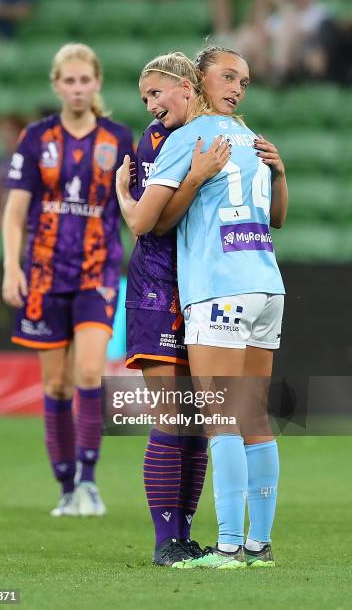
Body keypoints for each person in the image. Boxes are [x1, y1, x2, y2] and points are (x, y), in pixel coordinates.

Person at [116, 47, 288, 569]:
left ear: (190, 84)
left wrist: (126, 195)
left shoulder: (189, 137)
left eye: (242, 79)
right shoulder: (253, 139)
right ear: (204, 79)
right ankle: (259, 545)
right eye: (230, 76)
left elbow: (146, 224)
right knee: (255, 418)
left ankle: (231, 545)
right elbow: (277, 218)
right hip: (268, 287)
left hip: (220, 288)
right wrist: (280, 175)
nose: (237, 87)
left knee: (219, 419)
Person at [2, 43, 135, 517]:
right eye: (69, 81)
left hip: (97, 272)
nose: (78, 89)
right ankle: (64, 487)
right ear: (56, 85)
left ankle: (90, 482)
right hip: (43, 273)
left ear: (97, 83)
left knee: (88, 373)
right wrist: (11, 266)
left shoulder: (119, 139)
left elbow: (134, 205)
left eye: (85, 80)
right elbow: (15, 212)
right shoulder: (36, 138)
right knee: (56, 385)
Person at [127, 73, 231, 565]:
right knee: (171, 416)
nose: (149, 104)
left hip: (196, 286)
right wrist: (197, 175)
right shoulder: (159, 142)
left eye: (155, 93)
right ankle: (164, 540)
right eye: (144, 96)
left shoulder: (201, 133)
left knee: (197, 423)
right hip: (156, 286)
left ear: (186, 88)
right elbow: (151, 222)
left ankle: (183, 536)